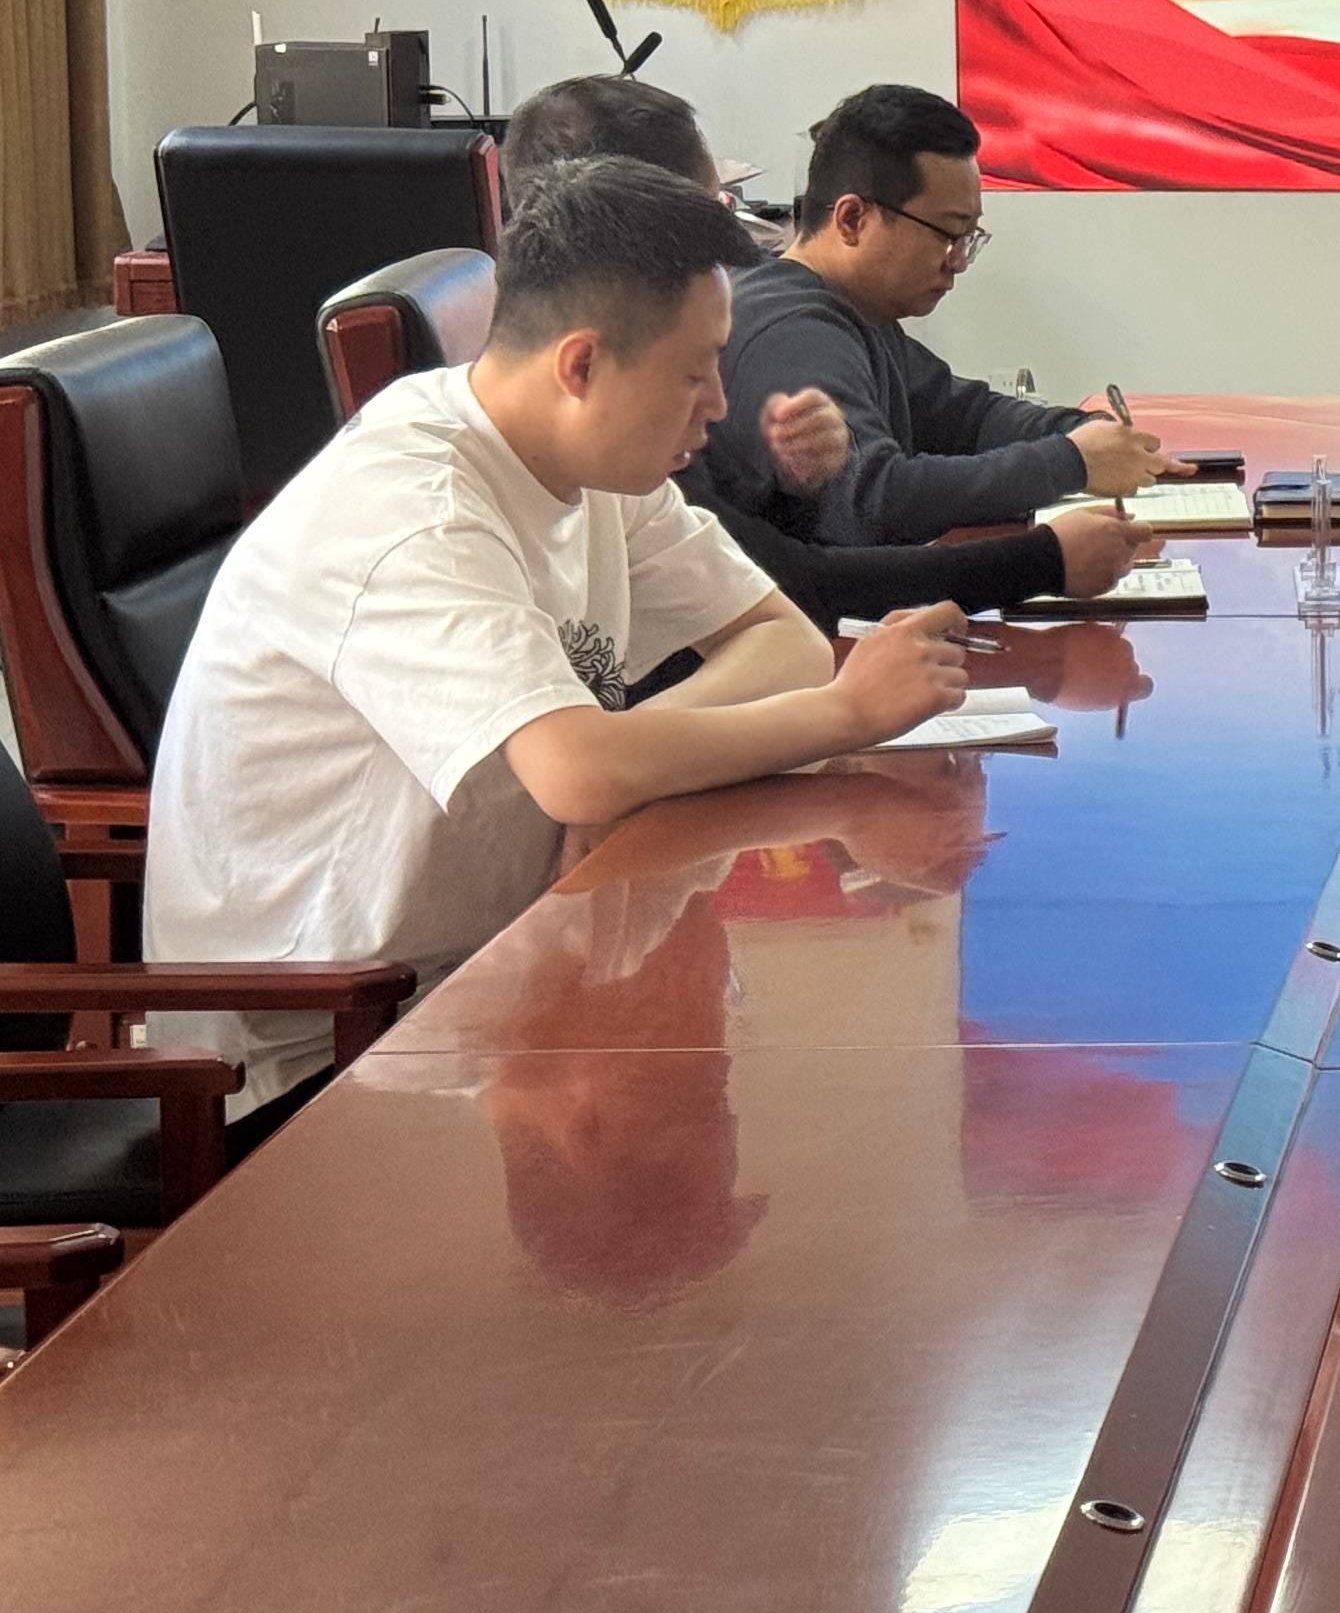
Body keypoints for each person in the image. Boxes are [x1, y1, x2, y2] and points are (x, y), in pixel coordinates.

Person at [144, 157, 974, 1127]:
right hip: (322, 1053)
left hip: (499, 969)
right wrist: (840, 714)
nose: (718, 404)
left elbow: (779, 640)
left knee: (811, 1097)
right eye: (694, 371)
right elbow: (580, 773)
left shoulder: (589, 457)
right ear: (581, 366)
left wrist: (624, 758)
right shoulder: (414, 513)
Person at [501, 77, 1155, 623]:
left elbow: (772, 608)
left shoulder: (627, 471)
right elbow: (813, 570)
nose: (717, 402)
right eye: (716, 208)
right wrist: (1049, 539)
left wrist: (1078, 438)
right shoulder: (781, 330)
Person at [700, 82, 1167, 543]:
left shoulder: (856, 312)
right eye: (947, 234)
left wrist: (1083, 432)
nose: (958, 261)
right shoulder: (792, 331)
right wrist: (1071, 462)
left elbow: (967, 418)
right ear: (852, 219)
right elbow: (874, 501)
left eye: (969, 238)